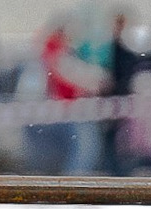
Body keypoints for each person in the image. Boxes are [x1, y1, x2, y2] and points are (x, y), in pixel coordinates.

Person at [40, 20, 110, 175]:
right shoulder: (57, 53)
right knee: (85, 151)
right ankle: (75, 183)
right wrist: (96, 80)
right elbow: (74, 76)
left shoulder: (57, 52)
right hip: (71, 111)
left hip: (70, 109)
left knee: (81, 151)